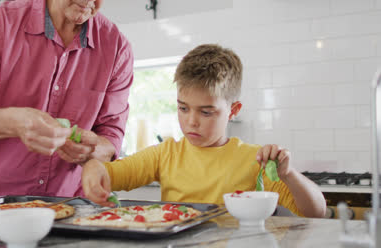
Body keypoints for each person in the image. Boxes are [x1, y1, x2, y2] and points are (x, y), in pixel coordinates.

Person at [0, 0, 134, 200]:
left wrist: (92, 150)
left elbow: (111, 138)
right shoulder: (2, 23)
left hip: (69, 212)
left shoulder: (116, 47)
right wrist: (15, 122)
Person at [82, 44, 327, 218]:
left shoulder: (255, 160)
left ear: (233, 110)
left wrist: (289, 174)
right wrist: (94, 168)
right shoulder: (166, 154)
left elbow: (316, 212)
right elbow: (113, 173)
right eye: (183, 108)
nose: (191, 122)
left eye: (206, 112)